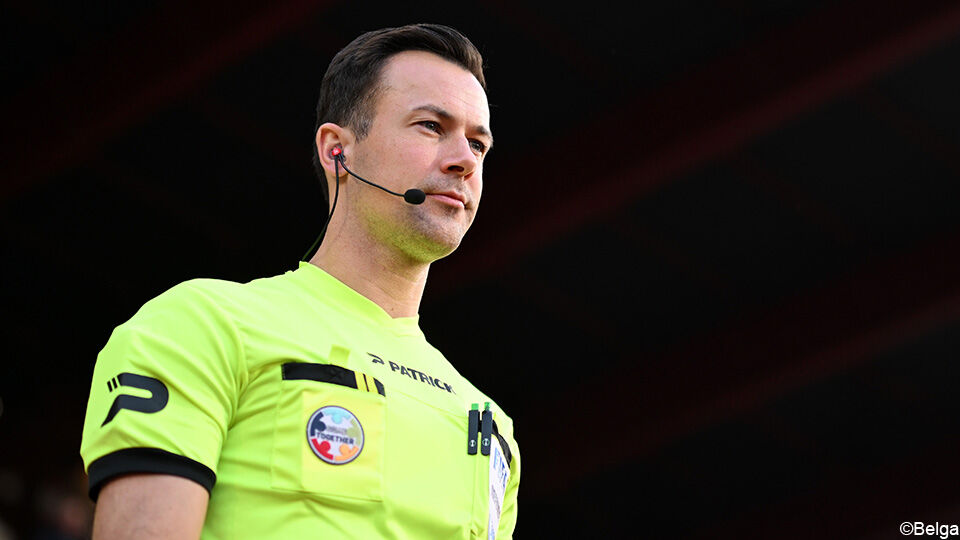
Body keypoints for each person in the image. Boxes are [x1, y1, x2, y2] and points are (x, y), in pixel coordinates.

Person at [79, 23, 519, 539]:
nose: (464, 161)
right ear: (337, 151)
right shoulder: (202, 323)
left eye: (478, 144)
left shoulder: (492, 424)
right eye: (430, 126)